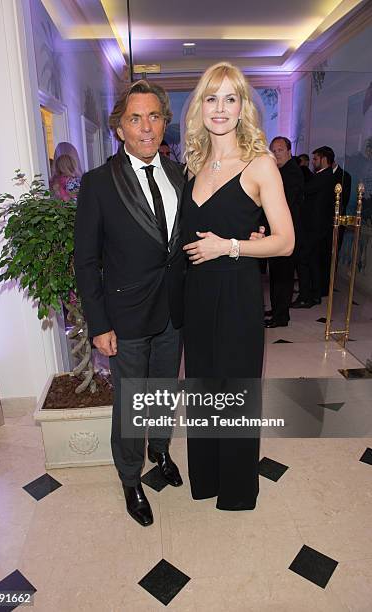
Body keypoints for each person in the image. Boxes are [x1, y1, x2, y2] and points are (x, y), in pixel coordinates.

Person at [182, 62, 294, 510]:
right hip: (197, 296)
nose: (220, 108)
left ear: (243, 107)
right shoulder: (192, 164)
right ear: (200, 107)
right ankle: (206, 478)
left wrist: (231, 247)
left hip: (238, 295)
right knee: (204, 387)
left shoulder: (261, 164)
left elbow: (285, 242)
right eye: (212, 98)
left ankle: (236, 490)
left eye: (230, 98)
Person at [74, 80, 186, 527]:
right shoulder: (98, 183)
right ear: (120, 128)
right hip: (125, 316)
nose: (146, 127)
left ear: (165, 123)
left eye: (155, 116)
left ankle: (159, 450)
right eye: (135, 118)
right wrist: (98, 324)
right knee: (131, 401)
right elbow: (86, 261)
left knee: (162, 391)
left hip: (173, 311)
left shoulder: (180, 175)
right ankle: (129, 478)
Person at [265, 137, 304, 327]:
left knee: (284, 276)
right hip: (277, 233)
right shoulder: (279, 171)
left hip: (287, 234)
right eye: (273, 150)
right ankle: (277, 309)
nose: (276, 154)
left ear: (289, 151)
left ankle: (281, 317)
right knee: (277, 274)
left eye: (280, 150)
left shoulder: (292, 173)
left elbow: (283, 202)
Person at [292, 146, 335, 308]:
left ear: (324, 159)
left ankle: (305, 297)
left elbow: (305, 189)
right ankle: (315, 294)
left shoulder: (324, 176)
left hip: (314, 227)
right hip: (316, 227)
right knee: (313, 260)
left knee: (303, 259)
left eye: (316, 159)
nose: (313, 162)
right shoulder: (324, 176)